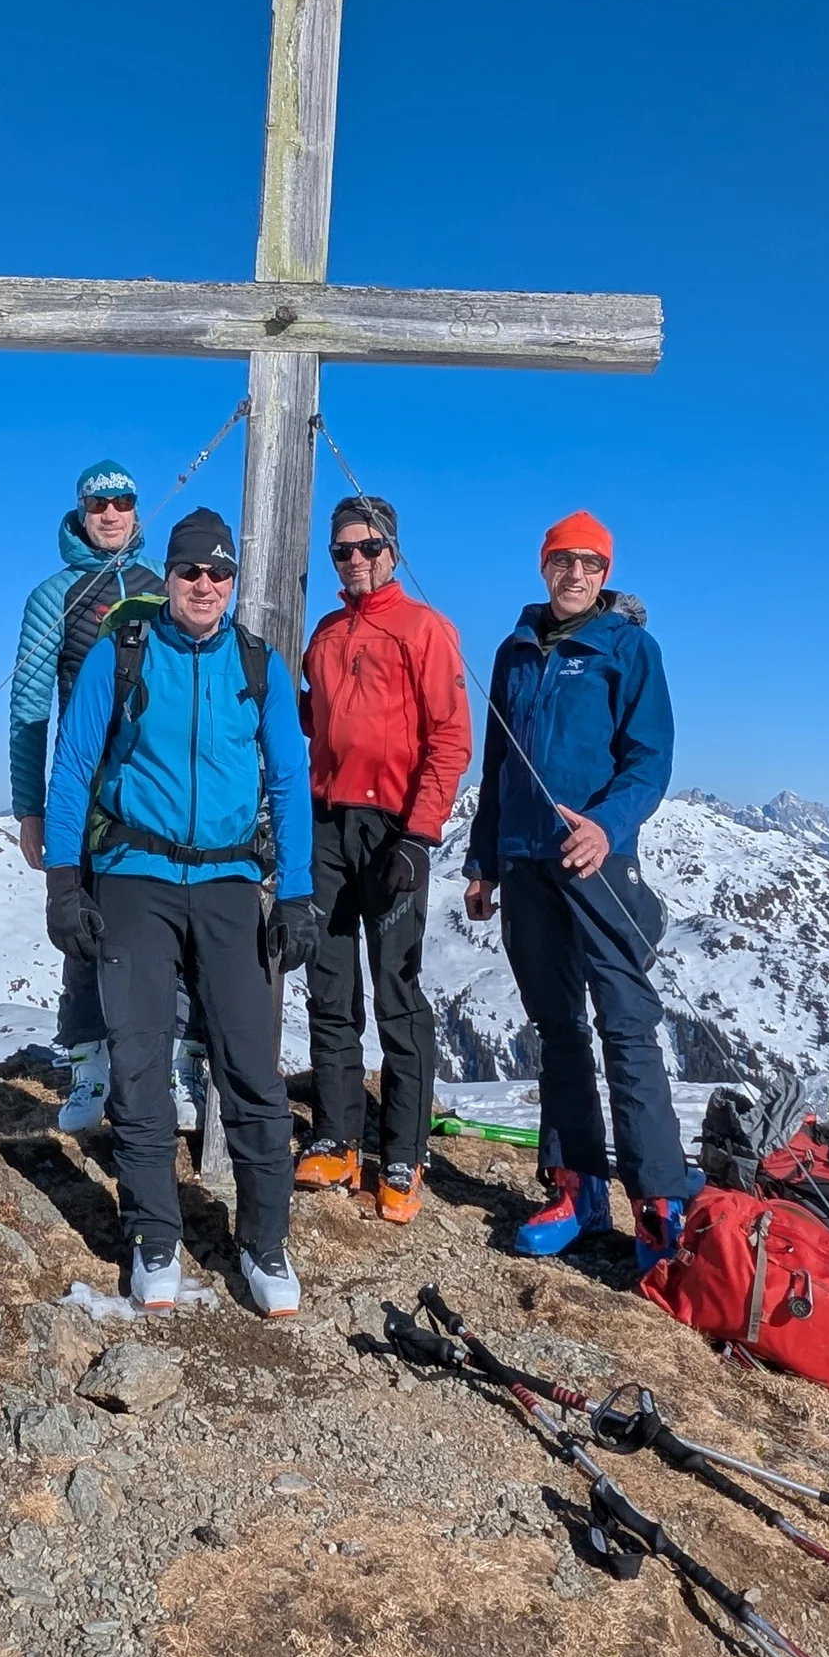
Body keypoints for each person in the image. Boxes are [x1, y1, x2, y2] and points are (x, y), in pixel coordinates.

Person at [41, 508, 316, 1317]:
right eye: (191, 571)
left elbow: (289, 780)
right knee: (138, 1065)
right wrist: (64, 883)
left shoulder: (258, 664)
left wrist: (296, 893)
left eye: (219, 573)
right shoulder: (122, 653)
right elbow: (75, 765)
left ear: (233, 581)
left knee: (251, 1069)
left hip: (230, 882)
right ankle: (154, 1236)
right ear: (168, 576)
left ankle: (265, 1243)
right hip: (135, 878)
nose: (205, 585)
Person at [462, 508, 691, 1274]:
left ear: (605, 574)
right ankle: (577, 1189)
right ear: (544, 565)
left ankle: (658, 1201)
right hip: (525, 863)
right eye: (564, 560)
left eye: (591, 564)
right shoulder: (514, 652)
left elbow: (649, 762)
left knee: (626, 1023)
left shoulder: (629, 649)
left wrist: (606, 826)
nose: (576, 574)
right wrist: (483, 860)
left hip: (598, 861)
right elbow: (497, 765)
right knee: (557, 1026)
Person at [9, 459, 206, 1131]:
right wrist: (30, 808)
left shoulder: (163, 585)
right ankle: (89, 1069)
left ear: (137, 508)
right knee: (83, 921)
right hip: (85, 788)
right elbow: (29, 708)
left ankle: (179, 1064)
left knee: (179, 919)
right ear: (80, 512)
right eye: (99, 504)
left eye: (122, 501)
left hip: (160, 786)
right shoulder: (53, 596)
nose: (112, 514)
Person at [294, 494, 473, 1224]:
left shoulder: (425, 628)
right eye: (343, 550)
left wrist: (419, 835)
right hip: (327, 824)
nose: (356, 560)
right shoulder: (327, 631)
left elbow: (451, 738)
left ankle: (402, 1152)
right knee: (330, 986)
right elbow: (315, 718)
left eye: (369, 547)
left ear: (393, 552)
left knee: (397, 992)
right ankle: (338, 1136)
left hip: (392, 829)